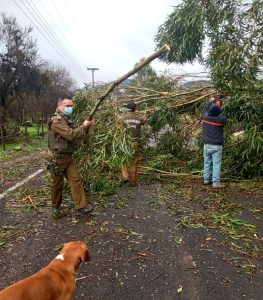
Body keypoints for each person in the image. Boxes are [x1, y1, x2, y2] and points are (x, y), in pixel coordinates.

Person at [47, 96, 94, 218]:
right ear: (59, 106)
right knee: (57, 185)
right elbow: (70, 135)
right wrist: (84, 126)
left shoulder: (66, 119)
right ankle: (55, 208)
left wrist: (86, 128)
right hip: (57, 159)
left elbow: (75, 135)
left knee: (76, 180)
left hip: (68, 157)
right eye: (67, 106)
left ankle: (81, 207)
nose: (70, 108)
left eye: (71, 106)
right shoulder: (56, 121)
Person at [120, 101, 147, 187]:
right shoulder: (138, 119)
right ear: (135, 109)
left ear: (127, 109)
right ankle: (133, 182)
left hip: (125, 143)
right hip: (135, 143)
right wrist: (145, 113)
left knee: (124, 161)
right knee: (134, 163)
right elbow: (144, 120)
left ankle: (125, 177)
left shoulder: (122, 118)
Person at [202, 104, 227, 188]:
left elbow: (205, 109)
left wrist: (211, 101)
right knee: (216, 164)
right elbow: (223, 116)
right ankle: (216, 183)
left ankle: (206, 180)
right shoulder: (221, 120)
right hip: (216, 146)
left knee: (207, 162)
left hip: (207, 145)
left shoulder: (205, 118)